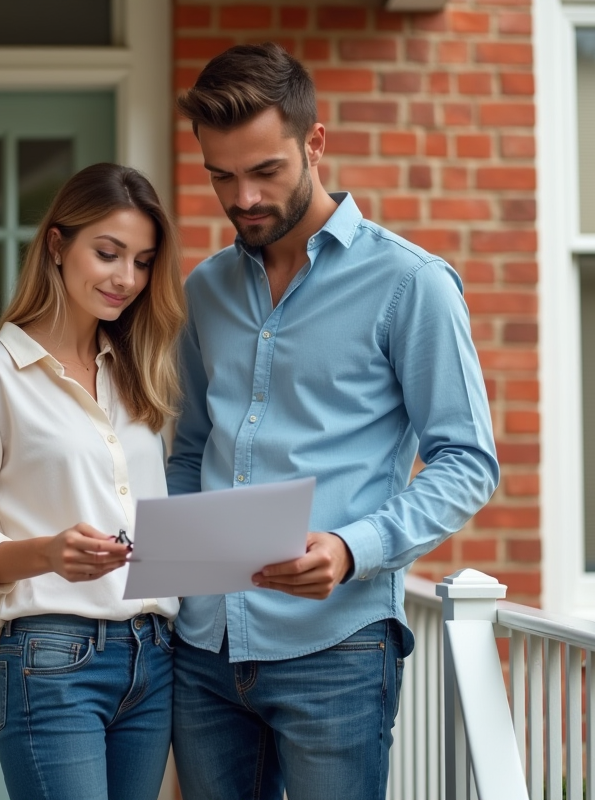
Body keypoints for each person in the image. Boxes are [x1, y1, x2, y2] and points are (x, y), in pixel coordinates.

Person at [167, 43, 500, 800]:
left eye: (265, 171)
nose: (243, 197)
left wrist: (354, 549)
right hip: (205, 647)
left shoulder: (410, 284)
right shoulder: (203, 291)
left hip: (336, 649)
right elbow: (190, 452)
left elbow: (466, 462)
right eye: (221, 176)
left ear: (314, 142)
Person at [0, 162, 186, 800]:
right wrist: (46, 552)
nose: (126, 278)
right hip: (54, 657)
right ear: (56, 245)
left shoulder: (137, 374)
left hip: (154, 653)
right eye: (108, 253)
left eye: (143, 262)